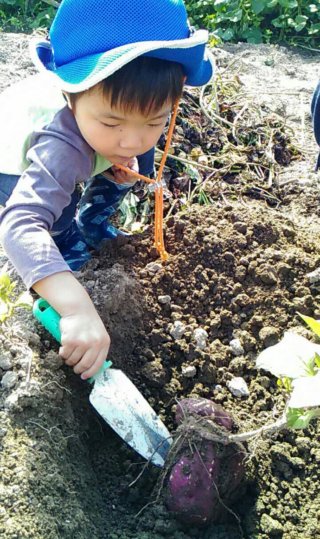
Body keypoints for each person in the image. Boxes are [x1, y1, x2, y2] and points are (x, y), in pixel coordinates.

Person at [0, 0, 214, 380]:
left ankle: (93, 221)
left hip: (84, 145)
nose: (132, 138)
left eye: (155, 120)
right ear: (71, 98)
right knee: (55, 216)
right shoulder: (60, 146)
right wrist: (76, 308)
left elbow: (132, 132)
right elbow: (20, 225)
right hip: (13, 162)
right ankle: (67, 239)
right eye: (112, 121)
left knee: (136, 165)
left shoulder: (127, 130)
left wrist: (121, 152)